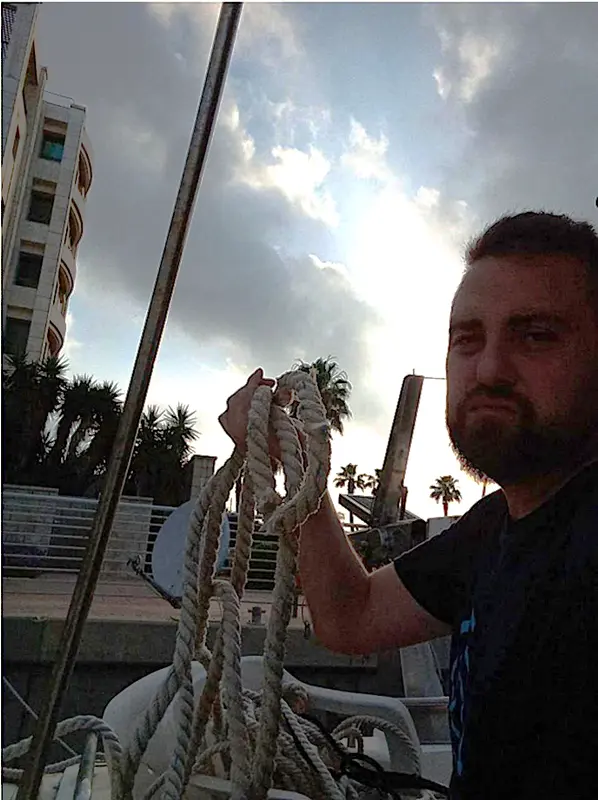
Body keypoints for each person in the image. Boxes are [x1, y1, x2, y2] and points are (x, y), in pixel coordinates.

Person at [219, 211, 598, 800]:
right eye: (467, 339)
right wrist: (301, 475)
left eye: (537, 335)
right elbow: (351, 617)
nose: (490, 368)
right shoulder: (491, 529)